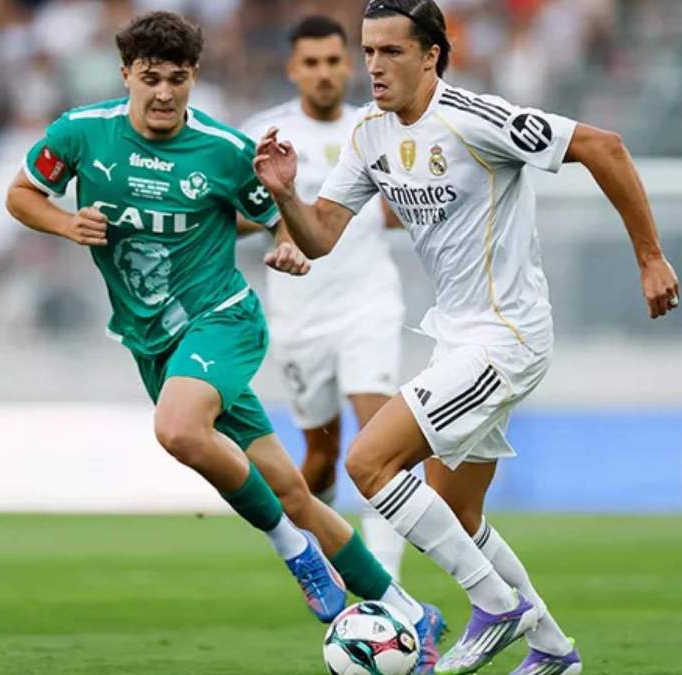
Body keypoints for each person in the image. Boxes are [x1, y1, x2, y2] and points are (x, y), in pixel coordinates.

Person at [3, 11, 445, 671]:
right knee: (292, 487)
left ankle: (293, 551)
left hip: (223, 320)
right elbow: (20, 194)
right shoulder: (80, 133)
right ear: (125, 74)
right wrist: (66, 223)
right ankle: (412, 611)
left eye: (176, 80)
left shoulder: (223, 149)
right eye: (149, 78)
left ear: (193, 78)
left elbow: (281, 221)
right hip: (151, 341)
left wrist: (291, 249)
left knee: (179, 429)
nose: (163, 94)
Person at [252, 1, 681, 673]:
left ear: (431, 55)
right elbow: (322, 235)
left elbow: (605, 147)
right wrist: (285, 196)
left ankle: (495, 605)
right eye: (368, 51)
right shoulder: (370, 133)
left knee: (368, 463)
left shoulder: (477, 119)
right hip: (456, 339)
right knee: (458, 511)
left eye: (390, 52)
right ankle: (553, 650)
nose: (373, 66)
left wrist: (650, 257)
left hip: (506, 337)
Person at [239, 14, 408, 581]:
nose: (325, 73)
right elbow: (234, 215)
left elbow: (407, 204)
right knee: (319, 454)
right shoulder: (261, 134)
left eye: (335, 61)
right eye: (311, 63)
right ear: (293, 70)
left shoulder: (376, 126)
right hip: (299, 316)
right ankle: (318, 557)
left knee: (377, 437)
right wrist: (280, 230)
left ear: (349, 65)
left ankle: (383, 585)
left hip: (369, 303)